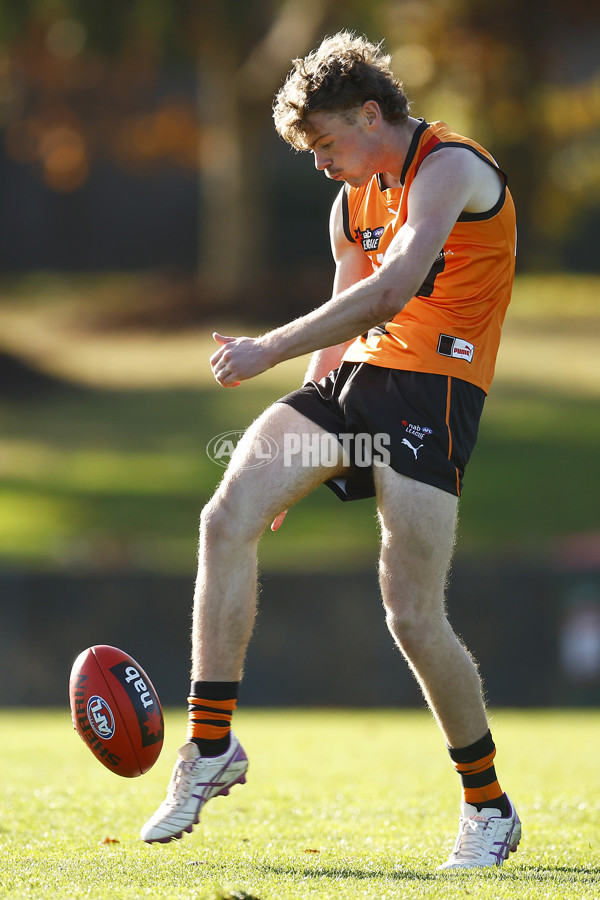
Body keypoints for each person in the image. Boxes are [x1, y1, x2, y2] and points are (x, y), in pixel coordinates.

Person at [140, 31, 520, 870]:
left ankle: (488, 805)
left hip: (436, 391)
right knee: (226, 515)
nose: (318, 163)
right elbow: (350, 310)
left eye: (323, 143)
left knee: (412, 614)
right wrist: (299, 451)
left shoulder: (451, 168)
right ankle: (210, 746)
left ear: (371, 114)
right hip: (355, 381)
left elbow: (390, 291)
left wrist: (260, 349)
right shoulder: (351, 201)